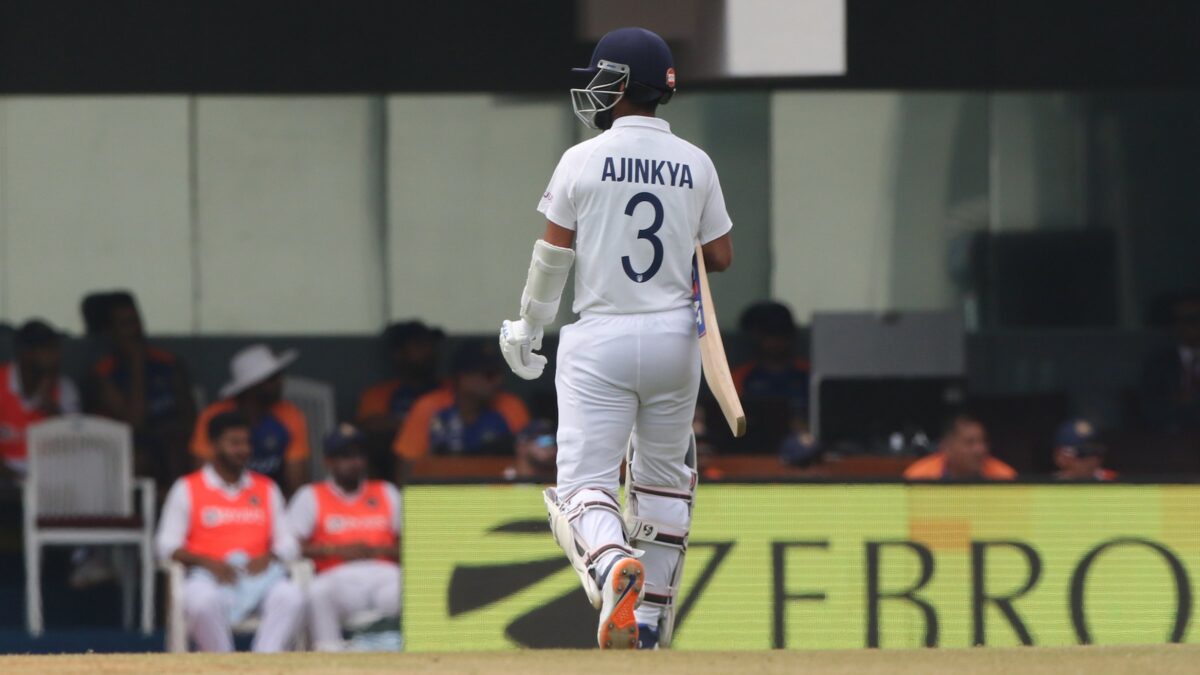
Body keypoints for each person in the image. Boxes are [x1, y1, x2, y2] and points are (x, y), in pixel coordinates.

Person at [498, 27, 734, 649]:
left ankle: (609, 565)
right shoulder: (696, 161)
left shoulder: (581, 158)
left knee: (583, 488)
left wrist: (529, 327)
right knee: (660, 485)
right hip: (674, 342)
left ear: (623, 85)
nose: (594, 89)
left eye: (604, 77)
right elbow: (722, 256)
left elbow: (553, 254)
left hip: (600, 336)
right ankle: (649, 625)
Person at [155, 411, 303, 652]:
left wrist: (269, 557)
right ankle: (224, 664)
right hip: (207, 578)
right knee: (202, 602)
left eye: (246, 443)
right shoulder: (187, 488)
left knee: (291, 597)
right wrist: (208, 563)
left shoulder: (266, 488)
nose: (243, 450)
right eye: (234, 443)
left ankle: (263, 665)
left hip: (259, 578)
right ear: (213, 446)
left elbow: (290, 543)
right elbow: (165, 546)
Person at [287, 424, 402, 652]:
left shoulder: (386, 491)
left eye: (359, 455)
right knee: (317, 592)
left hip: (385, 574)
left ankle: (406, 657)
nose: (354, 462)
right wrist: (337, 550)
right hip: (338, 577)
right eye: (345, 456)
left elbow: (411, 543)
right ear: (329, 461)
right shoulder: (310, 495)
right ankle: (329, 654)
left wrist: (378, 550)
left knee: (416, 587)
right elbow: (291, 546)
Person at [86, 291, 196, 491]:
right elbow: (135, 422)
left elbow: (190, 415)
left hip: (173, 443)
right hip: (129, 449)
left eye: (136, 321)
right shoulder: (103, 373)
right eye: (125, 324)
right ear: (110, 332)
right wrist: (137, 367)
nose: (135, 330)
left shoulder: (167, 362)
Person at [391, 341, 530, 481]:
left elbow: (529, 463)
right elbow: (406, 465)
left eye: (500, 373)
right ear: (463, 377)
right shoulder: (429, 407)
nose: (498, 381)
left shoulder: (511, 406)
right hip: (440, 495)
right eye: (489, 374)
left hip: (499, 494)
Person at [191, 344, 309, 495]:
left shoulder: (291, 415)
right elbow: (201, 477)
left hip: (271, 501)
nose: (281, 382)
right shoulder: (213, 416)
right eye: (272, 379)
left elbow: (296, 486)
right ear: (253, 385)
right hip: (220, 502)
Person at [356, 321, 444, 479]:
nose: (429, 351)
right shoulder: (379, 393)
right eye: (419, 345)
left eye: (430, 344)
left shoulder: (450, 389)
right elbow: (371, 428)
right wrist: (418, 425)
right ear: (399, 353)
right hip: (396, 466)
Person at [0, 320, 80, 479]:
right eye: (49, 350)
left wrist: (50, 407)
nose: (57, 356)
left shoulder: (64, 388)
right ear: (27, 353)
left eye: (57, 349)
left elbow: (75, 445)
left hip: (49, 478)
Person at [730, 301, 811, 454]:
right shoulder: (740, 377)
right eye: (767, 333)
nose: (774, 341)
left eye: (780, 332)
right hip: (751, 452)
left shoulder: (810, 375)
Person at [1138, 291, 1200, 433]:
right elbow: (1151, 412)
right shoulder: (1158, 364)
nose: (1189, 326)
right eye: (1182, 320)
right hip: (1173, 439)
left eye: (1195, 319)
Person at [904, 413, 1017, 480]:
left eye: (983, 441)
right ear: (946, 447)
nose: (980, 449)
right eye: (970, 443)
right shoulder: (918, 478)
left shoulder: (1005, 478)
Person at [1053, 418, 1117, 481]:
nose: (1092, 459)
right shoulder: (1049, 486)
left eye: (1096, 452)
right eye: (1083, 453)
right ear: (1060, 457)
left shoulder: (1114, 482)